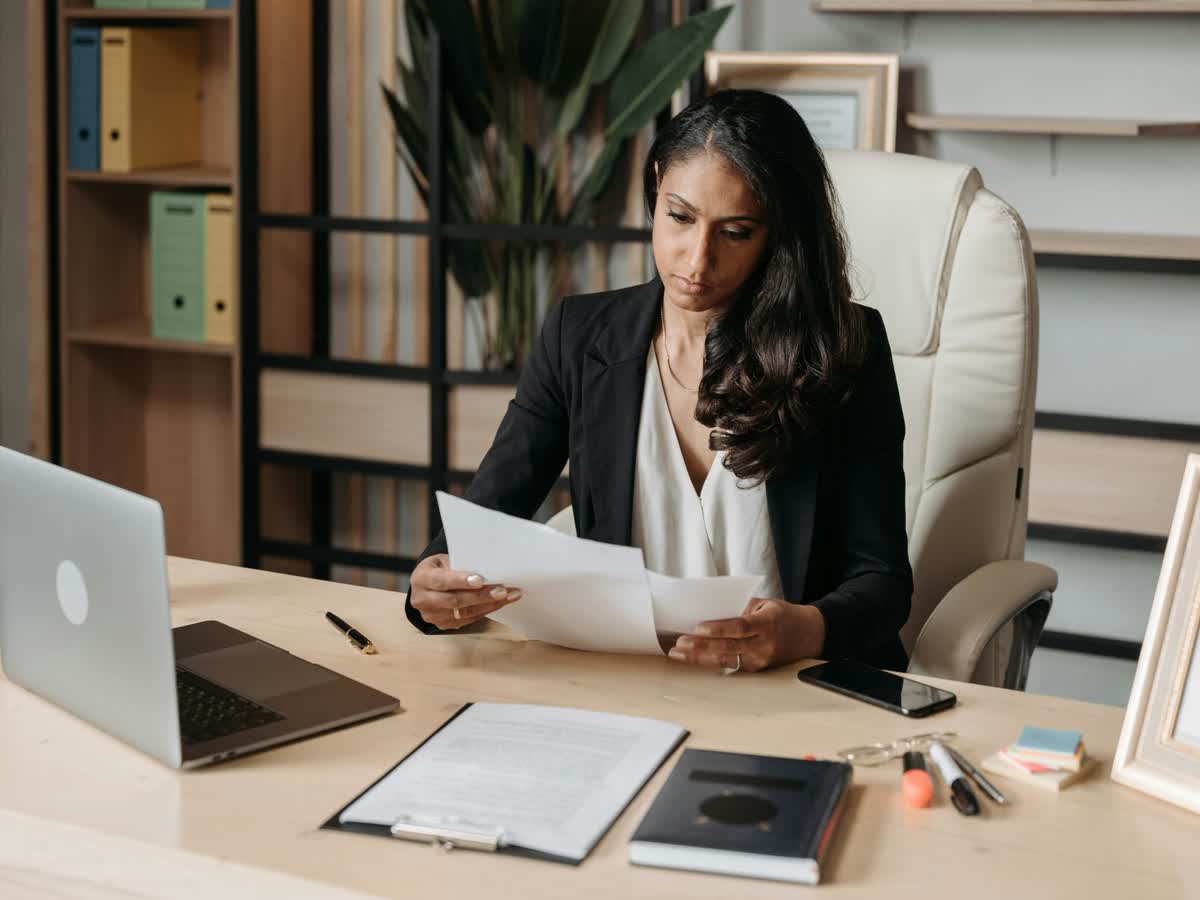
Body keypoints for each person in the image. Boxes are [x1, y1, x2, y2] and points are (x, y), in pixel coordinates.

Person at [405, 89, 913, 672]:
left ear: (779, 233)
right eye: (680, 217)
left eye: (736, 232)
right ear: (655, 186)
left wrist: (802, 631)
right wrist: (434, 584)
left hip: (795, 681)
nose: (696, 260)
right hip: (632, 677)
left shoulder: (843, 348)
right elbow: (488, 514)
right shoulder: (579, 337)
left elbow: (883, 582)